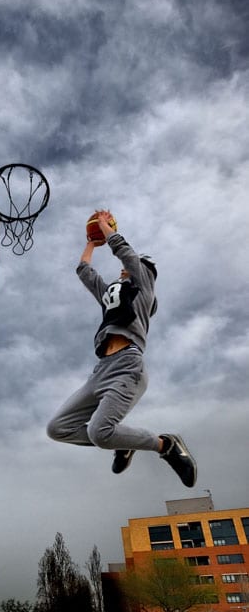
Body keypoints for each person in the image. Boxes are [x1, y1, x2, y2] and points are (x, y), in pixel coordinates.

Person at [46, 209, 196, 487]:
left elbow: (125, 252)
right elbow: (85, 272)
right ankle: (123, 441)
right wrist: (91, 242)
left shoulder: (142, 289)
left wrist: (104, 226)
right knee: (57, 428)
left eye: (135, 264)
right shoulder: (112, 296)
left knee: (100, 433)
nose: (125, 266)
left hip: (128, 367)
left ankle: (166, 445)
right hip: (101, 370)